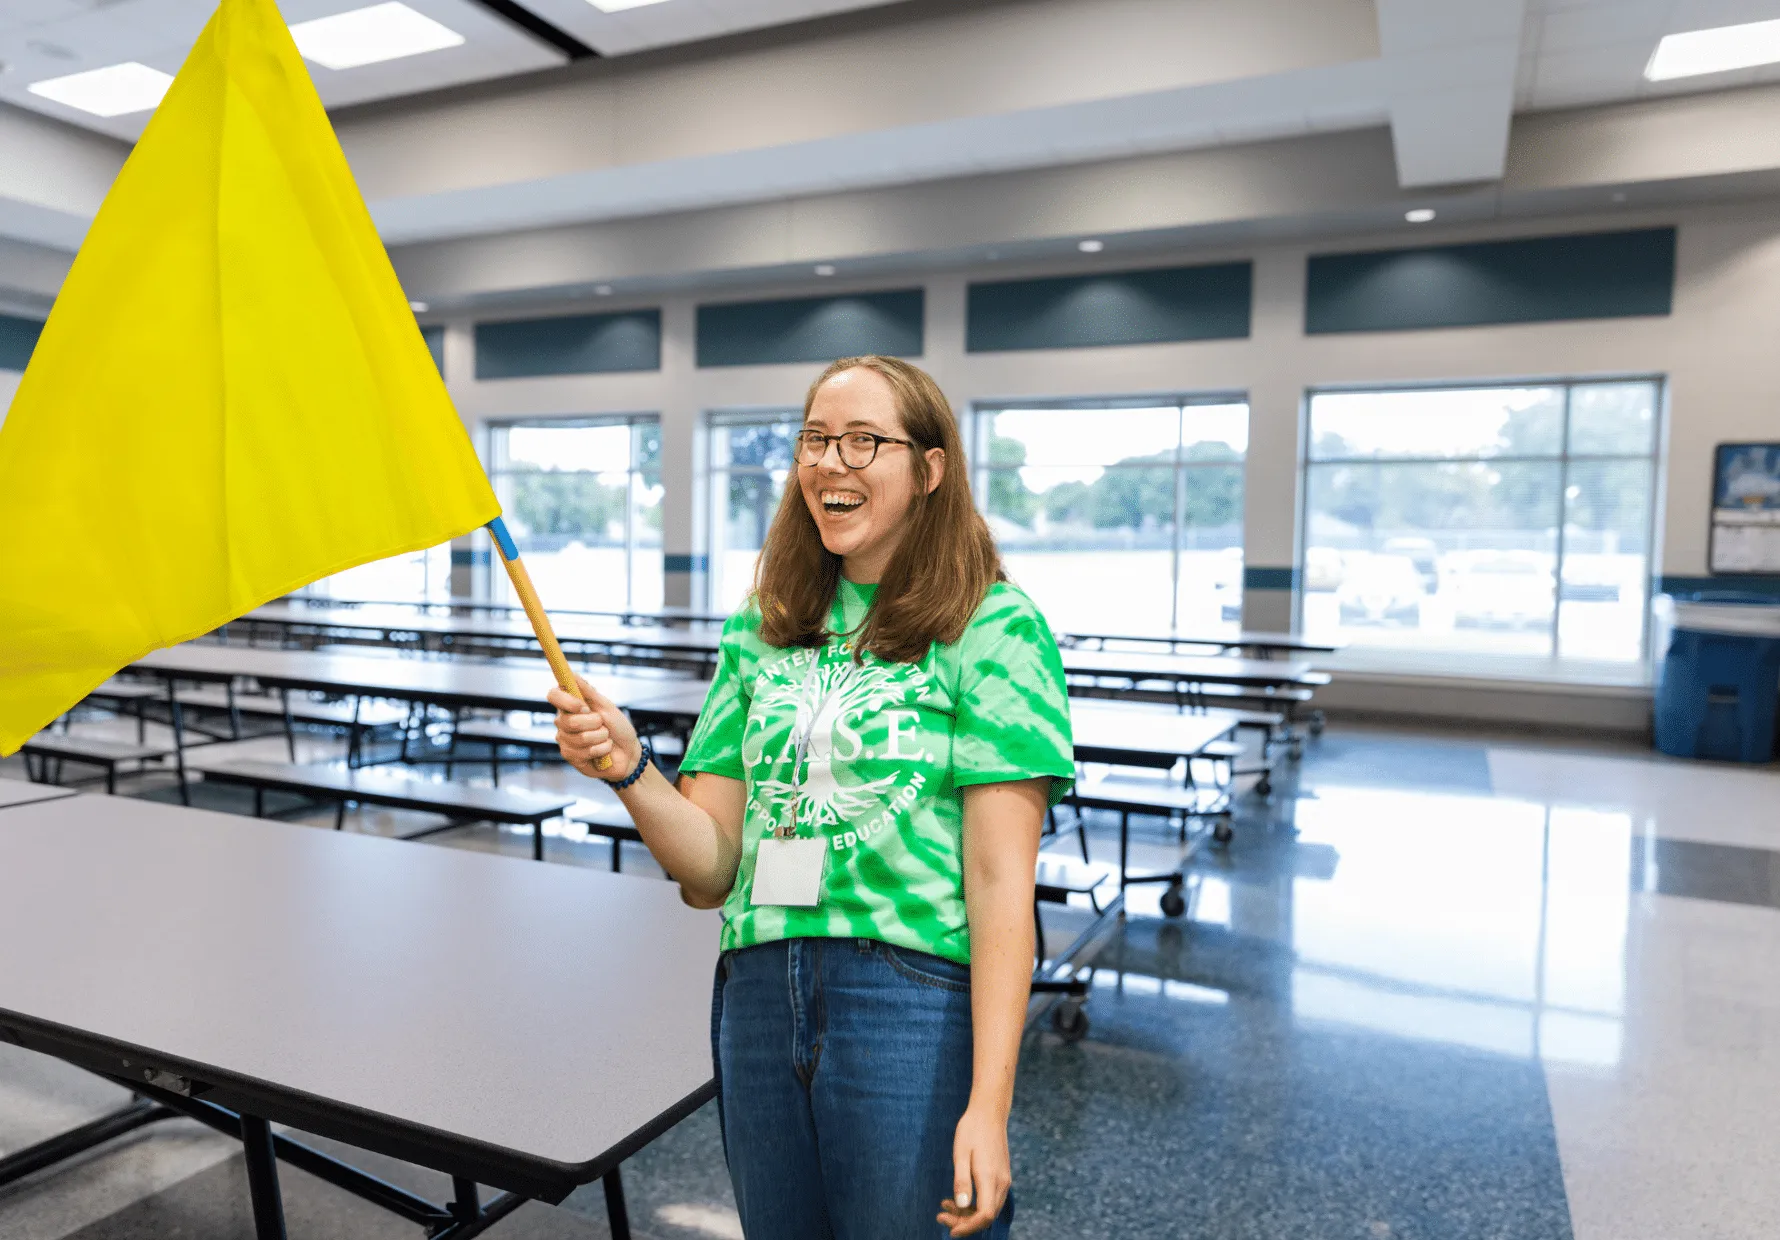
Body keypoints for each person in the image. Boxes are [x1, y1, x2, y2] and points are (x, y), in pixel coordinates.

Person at [548, 355, 1074, 1239]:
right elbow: (710, 871)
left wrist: (989, 1106)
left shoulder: (992, 626)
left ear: (930, 469)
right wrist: (630, 769)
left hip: (910, 998)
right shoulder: (761, 626)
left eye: (863, 441)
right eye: (815, 440)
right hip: (758, 994)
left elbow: (999, 886)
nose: (831, 462)